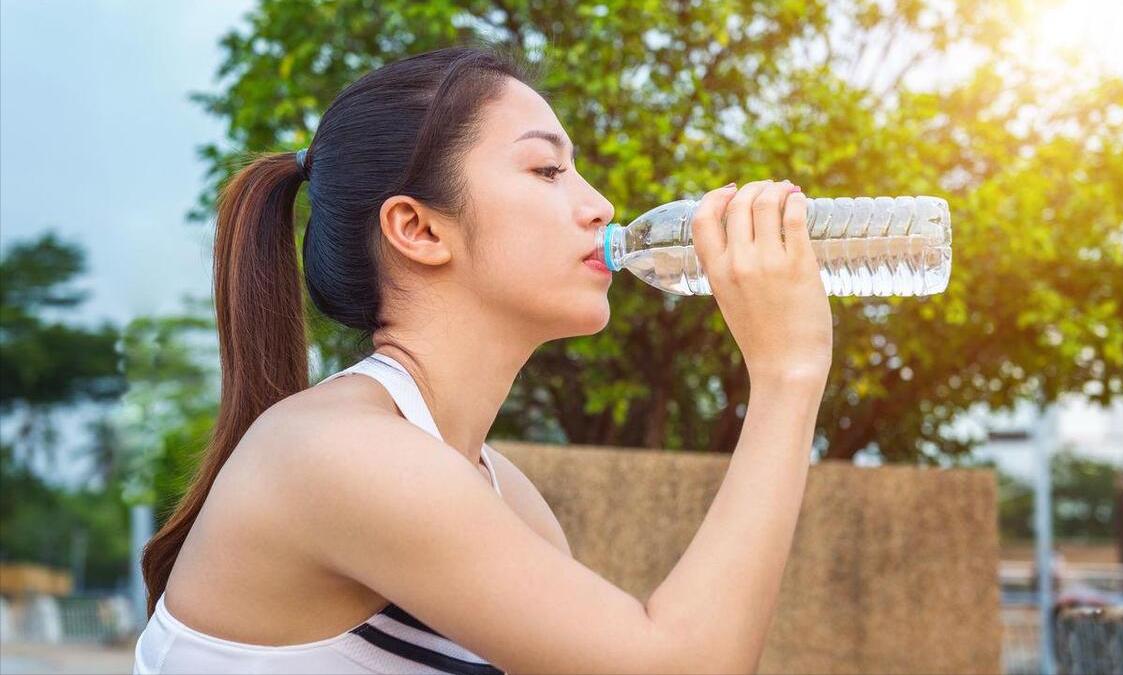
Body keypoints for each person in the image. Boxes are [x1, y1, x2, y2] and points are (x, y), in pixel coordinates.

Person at [132, 42, 832, 674]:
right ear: (418, 228)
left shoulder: (503, 495)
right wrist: (786, 374)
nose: (601, 205)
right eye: (547, 169)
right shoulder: (339, 452)